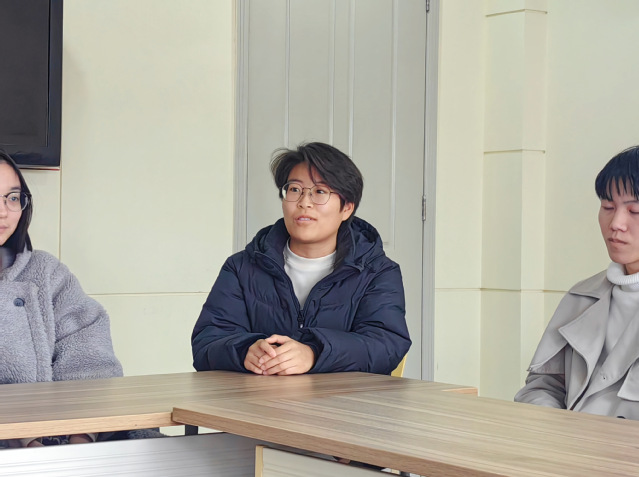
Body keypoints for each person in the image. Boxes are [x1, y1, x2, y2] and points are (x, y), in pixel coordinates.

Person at [192, 142, 411, 376]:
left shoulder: (376, 271)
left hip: (344, 398)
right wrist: (244, 351)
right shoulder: (241, 267)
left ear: (347, 208)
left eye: (320, 192)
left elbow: (386, 346)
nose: (304, 202)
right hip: (261, 397)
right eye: (294, 189)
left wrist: (314, 353)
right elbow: (207, 342)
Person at [0, 151, 123, 448]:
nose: (4, 211)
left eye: (12, 198)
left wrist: (81, 439)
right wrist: (26, 442)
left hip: (62, 447)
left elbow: (91, 362)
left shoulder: (46, 272)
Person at [515, 145, 639, 420]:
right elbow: (542, 386)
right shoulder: (581, 296)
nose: (616, 223)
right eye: (608, 207)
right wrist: (558, 429)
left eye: (635, 211)